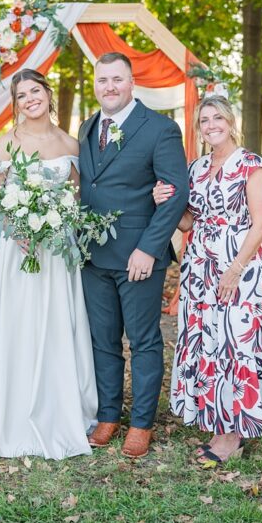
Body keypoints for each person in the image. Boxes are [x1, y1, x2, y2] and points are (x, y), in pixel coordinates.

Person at [0, 69, 98, 461]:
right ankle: (11, 413)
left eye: (35, 91)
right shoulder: (6, 143)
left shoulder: (71, 143)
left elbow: (76, 195)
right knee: (16, 325)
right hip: (15, 251)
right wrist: (17, 226)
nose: (30, 100)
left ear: (48, 93)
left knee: (57, 325)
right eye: (21, 96)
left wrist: (59, 223)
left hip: (57, 252)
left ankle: (60, 410)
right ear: (16, 104)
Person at [153, 95, 262, 464]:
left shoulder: (250, 165)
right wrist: (165, 199)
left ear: (230, 121)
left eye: (218, 117)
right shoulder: (195, 169)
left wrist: (233, 270)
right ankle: (218, 420)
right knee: (209, 343)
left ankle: (235, 433)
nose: (211, 124)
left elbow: (260, 223)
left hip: (239, 270)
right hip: (199, 269)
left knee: (235, 343)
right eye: (204, 119)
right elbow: (189, 222)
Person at [78, 52, 189, 459]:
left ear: (131, 82)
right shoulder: (88, 126)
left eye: (117, 79)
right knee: (102, 341)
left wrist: (148, 247)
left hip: (139, 257)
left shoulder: (160, 129)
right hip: (93, 256)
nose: (110, 86)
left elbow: (176, 194)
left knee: (142, 342)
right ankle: (108, 415)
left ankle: (141, 423)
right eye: (103, 79)